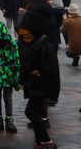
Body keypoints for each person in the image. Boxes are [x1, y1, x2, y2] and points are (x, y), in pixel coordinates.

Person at [17, 20, 58, 149]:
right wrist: (22, 80)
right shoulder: (23, 42)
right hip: (32, 83)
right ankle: (40, 141)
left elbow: (51, 69)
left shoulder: (45, 45)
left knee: (30, 111)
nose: (26, 37)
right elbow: (24, 63)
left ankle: (46, 139)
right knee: (34, 112)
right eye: (23, 35)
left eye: (28, 34)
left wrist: (38, 74)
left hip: (41, 84)